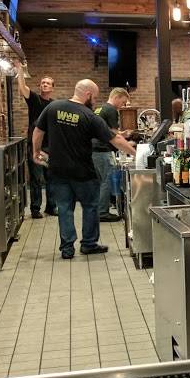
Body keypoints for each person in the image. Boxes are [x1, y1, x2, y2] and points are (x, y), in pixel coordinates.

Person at [32, 80, 136, 259]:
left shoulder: (53, 107)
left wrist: (36, 151)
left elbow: (38, 131)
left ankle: (67, 249)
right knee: (90, 207)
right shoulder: (89, 116)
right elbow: (115, 139)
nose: (94, 101)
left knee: (64, 209)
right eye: (94, 98)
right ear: (88, 94)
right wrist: (136, 153)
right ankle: (88, 244)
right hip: (83, 172)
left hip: (58, 170)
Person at [17, 69, 57, 218]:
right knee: (36, 178)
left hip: (50, 146)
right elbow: (22, 87)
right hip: (35, 146)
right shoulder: (34, 99)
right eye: (43, 83)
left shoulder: (54, 105)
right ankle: (35, 209)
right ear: (40, 86)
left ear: (52, 88)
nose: (45, 85)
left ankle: (51, 207)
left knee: (51, 178)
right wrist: (19, 69)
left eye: (48, 83)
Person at [92, 88, 132, 223]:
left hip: (94, 150)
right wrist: (128, 145)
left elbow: (107, 131)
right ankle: (102, 212)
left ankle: (99, 209)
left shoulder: (100, 109)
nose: (122, 105)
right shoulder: (111, 110)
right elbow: (114, 135)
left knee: (101, 181)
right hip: (102, 150)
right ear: (117, 97)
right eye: (123, 102)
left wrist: (122, 134)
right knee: (107, 180)